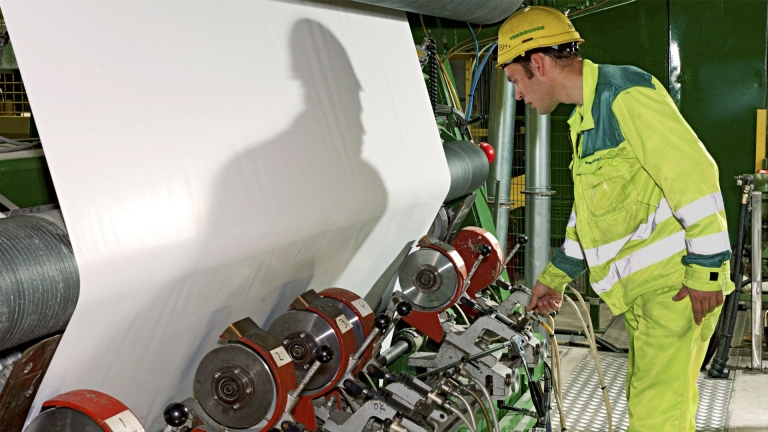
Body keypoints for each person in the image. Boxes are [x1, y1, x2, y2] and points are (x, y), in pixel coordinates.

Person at [496, 6, 734, 432]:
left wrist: (707, 271)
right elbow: (592, 212)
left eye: (516, 81)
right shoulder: (585, 119)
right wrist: (556, 275)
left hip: (676, 288)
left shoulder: (624, 95)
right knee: (660, 407)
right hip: (646, 291)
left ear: (538, 64)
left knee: (655, 417)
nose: (518, 95)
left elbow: (695, 176)